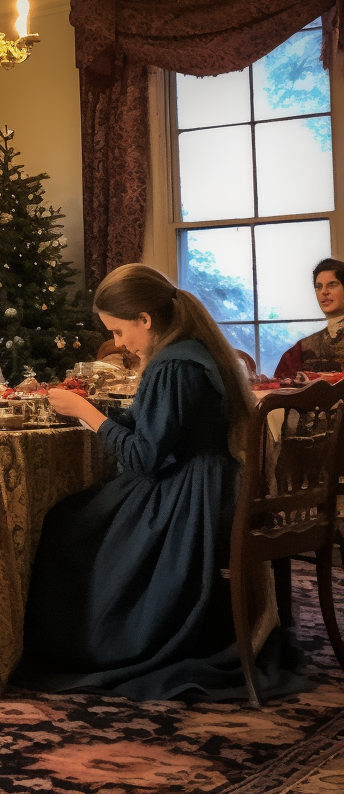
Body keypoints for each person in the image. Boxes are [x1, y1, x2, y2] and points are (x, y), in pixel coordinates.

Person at [19, 263, 305, 701]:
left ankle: (91, 643)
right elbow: (153, 427)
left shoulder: (174, 366)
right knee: (77, 514)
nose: (119, 344)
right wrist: (99, 412)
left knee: (67, 525)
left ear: (145, 320)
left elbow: (143, 457)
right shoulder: (192, 350)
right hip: (207, 480)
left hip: (190, 494)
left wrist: (87, 414)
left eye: (118, 332)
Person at [274, 258, 344, 377]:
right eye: (318, 287)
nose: (324, 292)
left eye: (332, 285)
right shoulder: (301, 349)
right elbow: (281, 387)